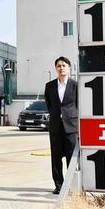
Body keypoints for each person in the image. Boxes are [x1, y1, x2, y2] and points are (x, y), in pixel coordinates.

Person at [44, 56, 78, 194]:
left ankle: (71, 186)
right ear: (55, 68)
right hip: (55, 127)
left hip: (71, 127)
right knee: (56, 158)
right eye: (58, 66)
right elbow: (49, 105)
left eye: (64, 65)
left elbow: (79, 105)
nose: (61, 68)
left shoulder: (75, 85)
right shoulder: (50, 86)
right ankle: (59, 185)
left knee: (71, 158)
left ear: (69, 68)